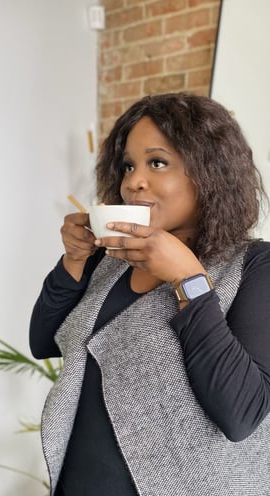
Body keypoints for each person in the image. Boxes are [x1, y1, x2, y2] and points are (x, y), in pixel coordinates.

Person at [29, 92, 270, 496]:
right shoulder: (110, 261)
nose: (132, 181)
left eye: (157, 162)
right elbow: (44, 341)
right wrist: (73, 259)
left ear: (211, 171)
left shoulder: (253, 267)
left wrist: (188, 279)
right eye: (128, 165)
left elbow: (241, 413)